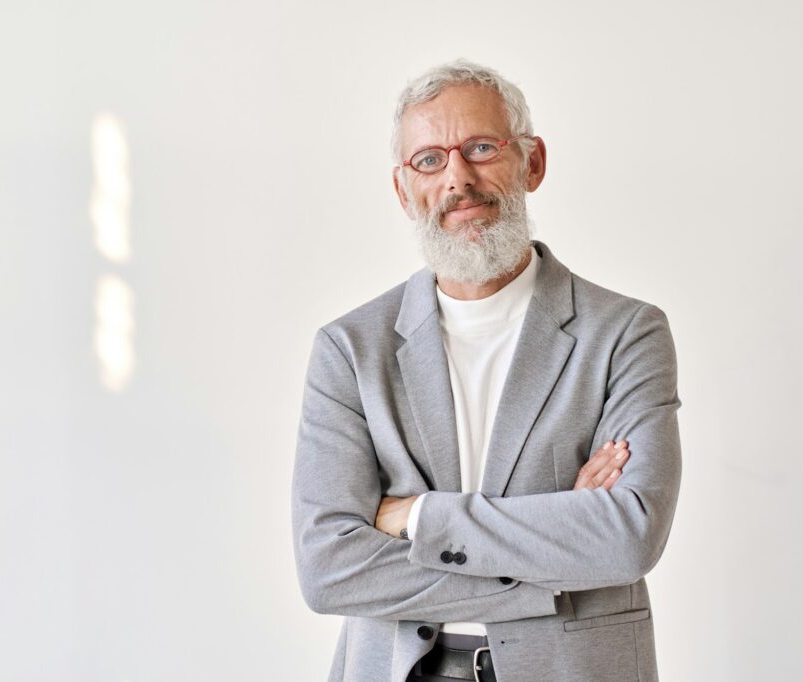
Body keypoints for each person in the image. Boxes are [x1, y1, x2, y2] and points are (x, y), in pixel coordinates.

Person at [291, 59, 682, 682]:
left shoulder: (625, 333)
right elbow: (328, 568)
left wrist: (414, 517)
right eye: (429, 160)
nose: (458, 179)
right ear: (403, 189)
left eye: (480, 147)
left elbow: (628, 537)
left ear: (532, 162)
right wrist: (552, 562)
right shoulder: (349, 348)